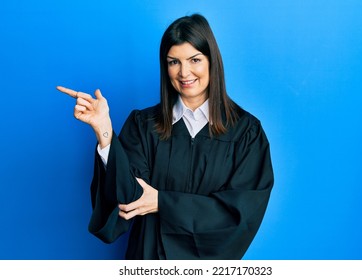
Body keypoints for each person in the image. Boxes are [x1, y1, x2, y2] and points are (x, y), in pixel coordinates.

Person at [57, 13, 274, 260]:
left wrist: (163, 202)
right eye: (174, 62)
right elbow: (126, 200)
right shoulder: (144, 125)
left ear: (212, 61)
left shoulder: (246, 133)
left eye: (195, 59)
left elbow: (239, 215)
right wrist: (104, 132)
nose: (184, 72)